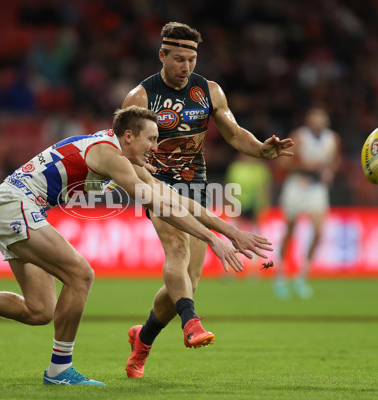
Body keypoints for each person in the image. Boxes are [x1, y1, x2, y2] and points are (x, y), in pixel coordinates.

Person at [0, 105, 274, 386]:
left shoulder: (122, 156)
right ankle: (60, 370)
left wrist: (228, 230)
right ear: (128, 136)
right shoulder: (109, 154)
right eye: (150, 139)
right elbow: (159, 205)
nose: (155, 147)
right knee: (81, 275)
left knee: (39, 311)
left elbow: (172, 197)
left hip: (17, 206)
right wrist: (211, 239)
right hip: (16, 205)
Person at [121, 22, 293, 379]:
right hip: (154, 183)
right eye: (179, 59)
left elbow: (234, 132)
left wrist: (262, 149)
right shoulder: (140, 97)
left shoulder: (209, 91)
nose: (186, 66)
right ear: (162, 56)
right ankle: (191, 323)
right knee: (178, 252)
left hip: (195, 186)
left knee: (189, 280)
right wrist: (135, 181)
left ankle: (143, 338)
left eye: (192, 59)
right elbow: (123, 148)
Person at [274, 106, 341, 299]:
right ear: (308, 120)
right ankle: (281, 274)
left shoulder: (332, 139)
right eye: (314, 116)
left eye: (321, 116)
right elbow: (283, 163)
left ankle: (302, 275)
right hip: (296, 186)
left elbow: (335, 161)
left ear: (326, 120)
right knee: (290, 231)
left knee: (319, 232)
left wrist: (330, 172)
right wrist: (307, 166)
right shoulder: (299, 136)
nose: (317, 120)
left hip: (316, 188)